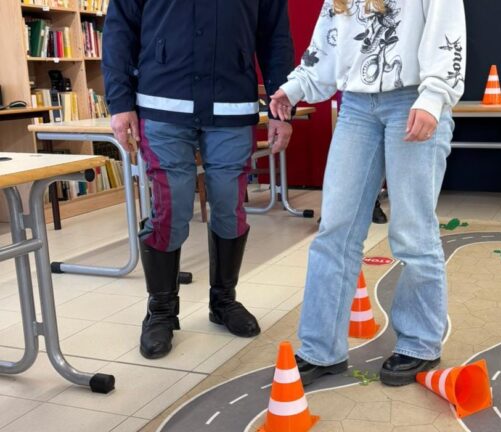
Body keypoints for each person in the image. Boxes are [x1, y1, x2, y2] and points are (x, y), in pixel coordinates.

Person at [270, 0, 466, 386]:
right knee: (335, 231)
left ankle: (420, 343)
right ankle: (321, 349)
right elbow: (325, 47)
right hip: (356, 107)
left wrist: (433, 97)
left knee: (412, 231)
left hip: (413, 99)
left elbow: (448, 35)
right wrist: (293, 89)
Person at [102, 0, 295, 359]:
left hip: (232, 107)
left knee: (229, 207)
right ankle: (161, 310)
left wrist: (283, 109)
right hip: (162, 105)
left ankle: (223, 301)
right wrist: (119, 102)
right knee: (170, 209)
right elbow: (119, 31)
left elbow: (275, 38)